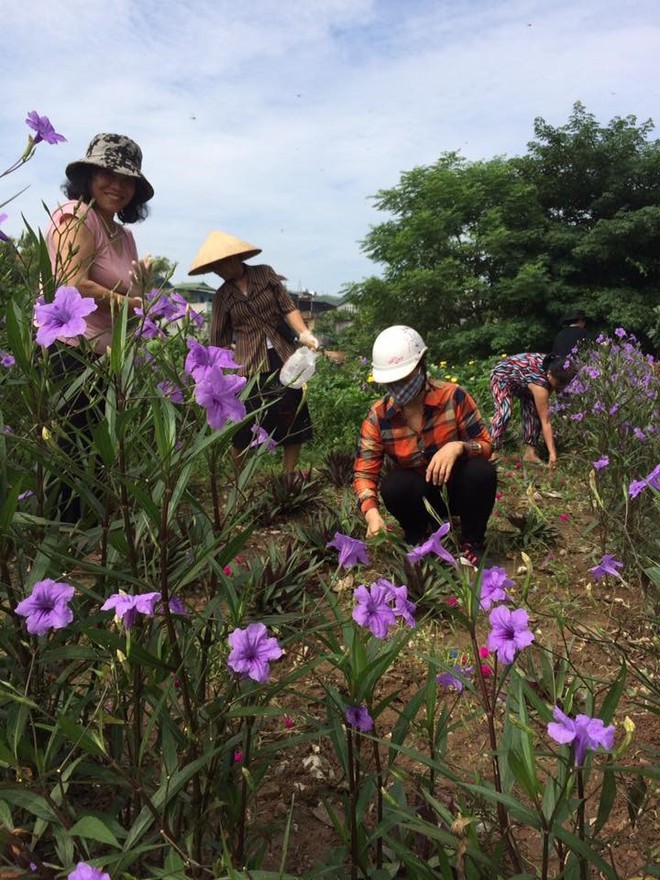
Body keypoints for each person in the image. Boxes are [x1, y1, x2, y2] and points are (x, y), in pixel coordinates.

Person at [45, 132, 154, 521]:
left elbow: (135, 291)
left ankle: (90, 529)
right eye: (108, 174)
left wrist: (143, 290)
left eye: (128, 181)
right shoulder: (74, 216)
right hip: (72, 353)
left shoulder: (124, 236)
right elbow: (71, 284)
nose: (118, 186)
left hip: (109, 359)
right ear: (88, 177)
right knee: (71, 445)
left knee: (99, 445)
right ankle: (64, 533)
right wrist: (135, 304)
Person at [353, 326, 496, 564]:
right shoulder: (378, 417)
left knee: (480, 471)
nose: (399, 386)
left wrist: (459, 447)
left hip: (456, 488)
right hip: (419, 494)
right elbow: (364, 472)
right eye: (392, 381)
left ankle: (472, 542)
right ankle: (419, 536)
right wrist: (371, 514)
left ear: (421, 366)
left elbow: (486, 444)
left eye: (405, 378)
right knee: (395, 485)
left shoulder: (454, 397)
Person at [188, 230, 319, 473]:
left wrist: (303, 333)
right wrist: (220, 377)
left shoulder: (265, 274)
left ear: (235, 257)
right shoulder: (222, 297)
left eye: (222, 264)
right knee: (244, 422)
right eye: (215, 268)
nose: (220, 271)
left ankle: (288, 476)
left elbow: (288, 307)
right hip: (249, 365)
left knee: (293, 415)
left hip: (284, 356)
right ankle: (240, 479)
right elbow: (219, 340)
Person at [489, 353, 575, 467]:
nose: (562, 388)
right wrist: (553, 454)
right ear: (549, 375)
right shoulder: (540, 386)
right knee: (505, 412)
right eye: (559, 384)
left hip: (524, 379)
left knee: (533, 412)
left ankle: (530, 454)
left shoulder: (558, 368)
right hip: (503, 376)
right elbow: (546, 421)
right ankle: (490, 452)